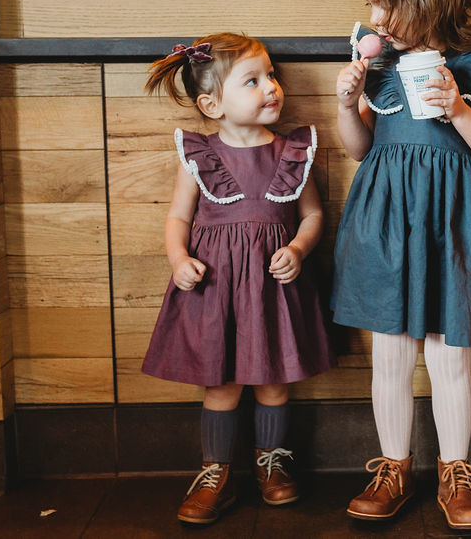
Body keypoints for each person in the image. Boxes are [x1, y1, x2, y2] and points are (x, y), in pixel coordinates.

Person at [332, 0, 471, 531]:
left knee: (449, 354)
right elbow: (358, 149)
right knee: (390, 352)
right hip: (386, 221)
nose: (376, 17)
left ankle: (456, 471)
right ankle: (392, 465)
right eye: (372, 3)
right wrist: (348, 102)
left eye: (386, 2)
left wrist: (460, 110)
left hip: (449, 223)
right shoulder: (376, 64)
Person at [141, 34, 335, 525]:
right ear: (212, 104)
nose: (271, 88)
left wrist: (297, 247)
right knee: (221, 385)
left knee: (272, 383)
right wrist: (178, 258)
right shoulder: (200, 154)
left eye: (271, 76)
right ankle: (216, 472)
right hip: (216, 292)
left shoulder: (293, 152)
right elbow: (177, 219)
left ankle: (272, 463)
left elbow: (312, 216)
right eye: (253, 81)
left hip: (273, 291)